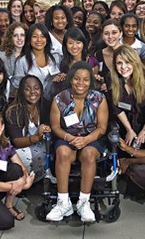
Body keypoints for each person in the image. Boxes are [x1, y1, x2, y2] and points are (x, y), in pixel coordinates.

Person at [46, 62, 109, 222]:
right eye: (77, 79)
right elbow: (54, 126)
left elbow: (102, 128)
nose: (81, 83)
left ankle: (83, 203)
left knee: (88, 154)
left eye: (85, 79)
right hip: (67, 137)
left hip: (92, 138)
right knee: (62, 152)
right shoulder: (60, 99)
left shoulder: (99, 99)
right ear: (71, 80)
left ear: (91, 81)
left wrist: (86, 139)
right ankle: (63, 203)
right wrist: (69, 138)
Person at [109, 45, 145, 148]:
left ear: (135, 62)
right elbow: (117, 108)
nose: (123, 67)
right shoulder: (112, 79)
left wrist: (144, 131)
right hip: (125, 124)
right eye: (119, 63)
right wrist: (129, 130)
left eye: (127, 62)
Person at [5, 75, 50, 182]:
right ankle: (22, 181)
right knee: (26, 155)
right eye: (27, 89)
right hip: (21, 149)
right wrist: (36, 137)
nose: (32, 92)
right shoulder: (13, 111)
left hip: (38, 145)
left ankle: (36, 181)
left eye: (36, 88)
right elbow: (16, 142)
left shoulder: (44, 105)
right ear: (21, 91)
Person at [12, 23, 61, 100]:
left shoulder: (56, 57)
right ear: (29, 39)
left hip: (54, 102)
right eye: (35, 36)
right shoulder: (22, 61)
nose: (39, 40)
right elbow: (17, 87)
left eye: (42, 36)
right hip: (32, 103)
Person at [0, 22, 26, 97]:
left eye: (22, 35)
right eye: (15, 35)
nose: (19, 38)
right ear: (10, 38)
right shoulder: (0, 56)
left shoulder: (32, 54)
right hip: (6, 96)